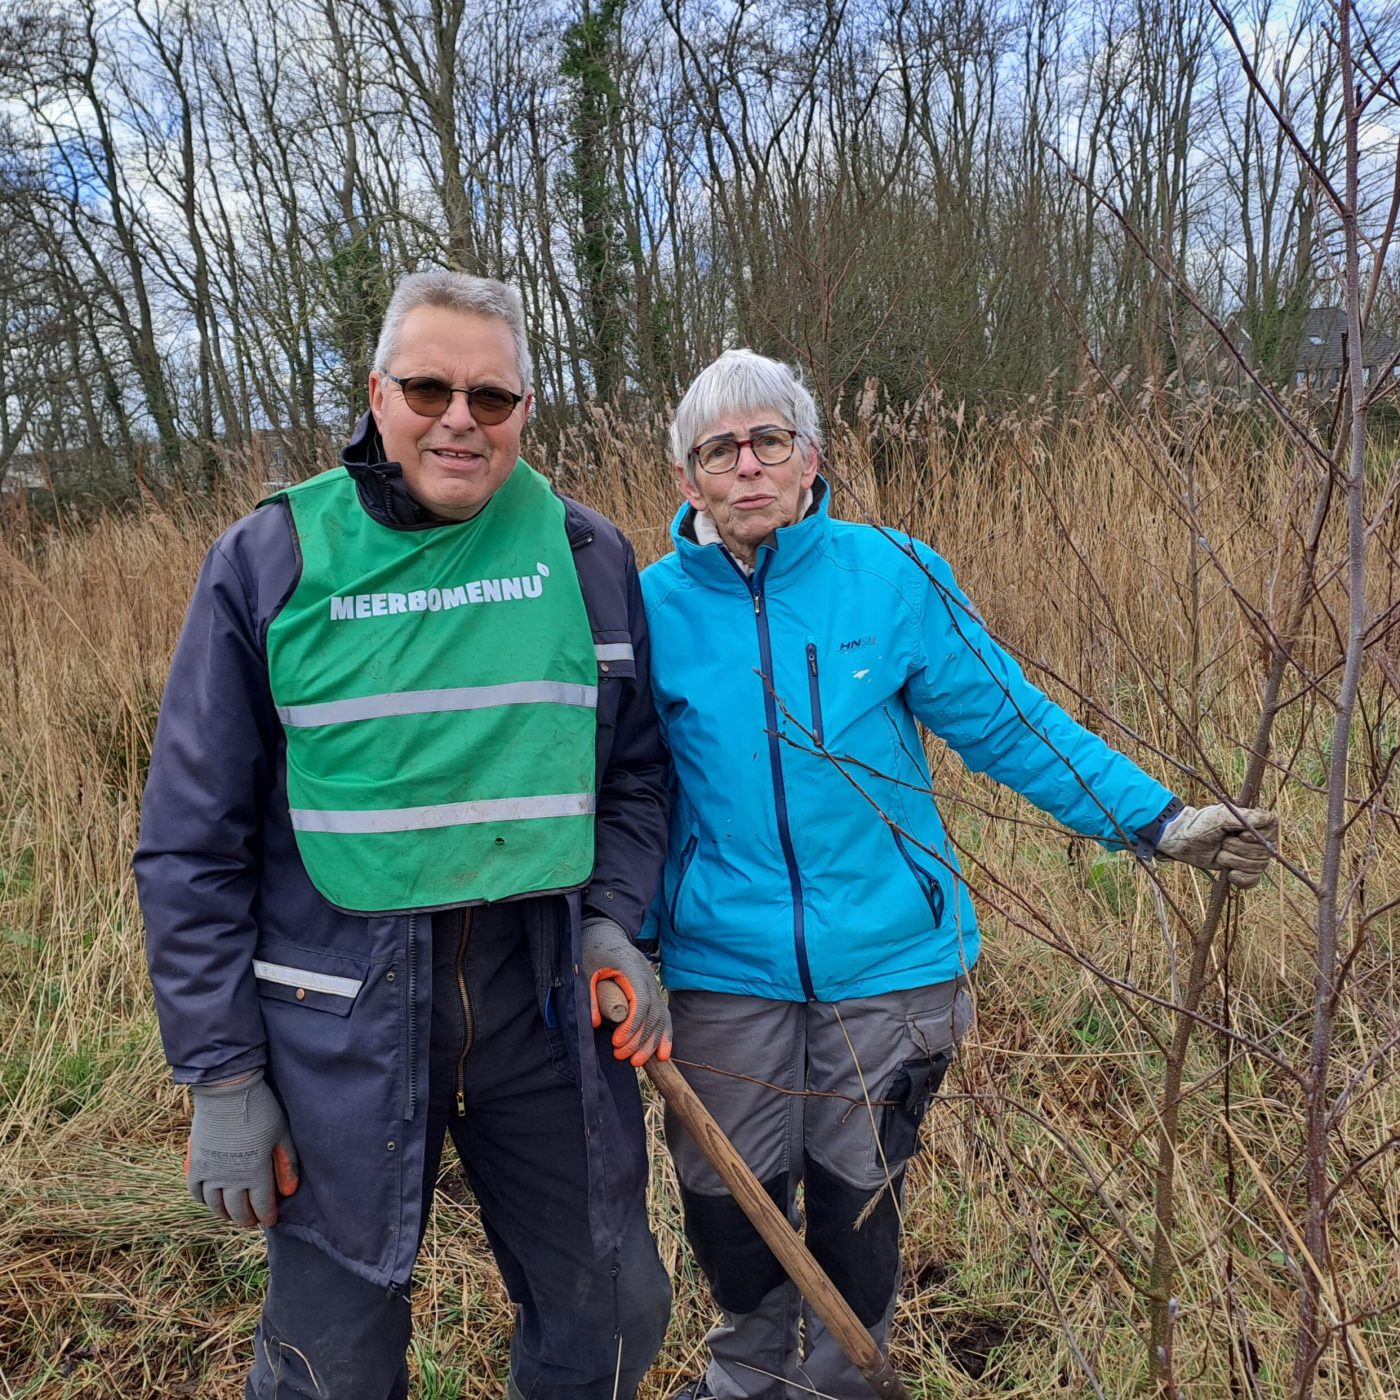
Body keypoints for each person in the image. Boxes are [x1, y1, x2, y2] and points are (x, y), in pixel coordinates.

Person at [639, 349, 1279, 1400]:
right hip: (718, 965)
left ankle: (845, 1377)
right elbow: (617, 788)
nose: (746, 464)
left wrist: (1158, 820)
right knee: (723, 1199)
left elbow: (1010, 721)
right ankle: (746, 1375)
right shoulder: (647, 606)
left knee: (856, 1196)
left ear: (810, 458)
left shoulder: (891, 574)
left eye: (769, 440)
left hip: (886, 958)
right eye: (719, 449)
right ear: (687, 478)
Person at [135, 270, 675, 1400]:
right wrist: (223, 1072)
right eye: (428, 387)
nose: (459, 420)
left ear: (526, 408)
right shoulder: (270, 560)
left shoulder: (583, 556)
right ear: (377, 394)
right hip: (339, 1016)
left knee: (615, 1316)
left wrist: (613, 922)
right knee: (330, 1362)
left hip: (538, 1005)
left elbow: (632, 774)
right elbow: (191, 844)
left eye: (492, 397)